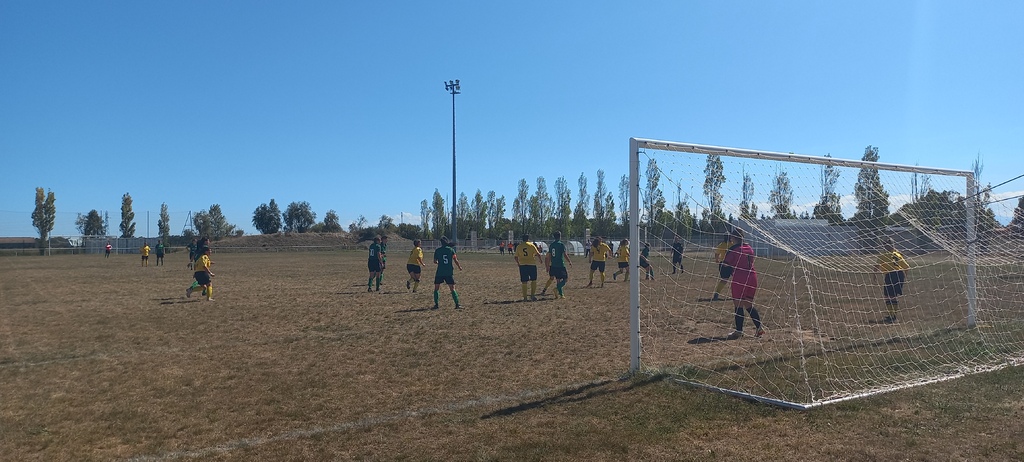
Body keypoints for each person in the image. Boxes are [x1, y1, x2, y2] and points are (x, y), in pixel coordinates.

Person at [724, 228, 763, 339]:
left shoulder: (733, 249)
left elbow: (725, 264)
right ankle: (759, 328)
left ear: (733, 237)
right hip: (752, 277)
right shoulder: (749, 248)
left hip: (740, 278)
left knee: (738, 305)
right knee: (749, 305)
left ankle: (739, 331)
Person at [876, 239, 910, 324]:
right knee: (893, 295)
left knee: (888, 295)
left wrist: (874, 275)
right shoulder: (898, 254)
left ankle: (892, 316)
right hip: (900, 275)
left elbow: (876, 266)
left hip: (891, 275)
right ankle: (892, 315)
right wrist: (904, 277)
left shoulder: (883, 255)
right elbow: (907, 267)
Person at [432, 236, 463, 309]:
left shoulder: (438, 250)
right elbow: (455, 260)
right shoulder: (451, 250)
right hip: (448, 272)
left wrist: (439, 263)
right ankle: (457, 304)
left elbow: (435, 261)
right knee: (452, 288)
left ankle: (436, 305)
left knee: (436, 288)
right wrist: (459, 267)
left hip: (440, 272)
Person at [541, 231, 573, 298]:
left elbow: (549, 256)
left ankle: (561, 294)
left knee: (558, 279)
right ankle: (556, 289)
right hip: (560, 265)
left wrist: (547, 265)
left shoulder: (552, 245)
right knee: (565, 279)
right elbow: (564, 254)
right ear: (560, 236)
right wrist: (569, 261)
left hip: (553, 265)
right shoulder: (561, 245)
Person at [515, 234, 542, 301]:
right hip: (531, 264)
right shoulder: (531, 245)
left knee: (524, 281)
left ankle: (525, 298)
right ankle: (532, 296)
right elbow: (538, 254)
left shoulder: (519, 246)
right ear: (528, 239)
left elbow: (516, 257)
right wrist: (540, 260)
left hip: (523, 265)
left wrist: (518, 263)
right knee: (533, 280)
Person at [710, 233, 732, 301]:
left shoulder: (721, 245)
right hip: (732, 264)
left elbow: (717, 253)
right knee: (737, 279)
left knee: (724, 280)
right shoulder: (733, 245)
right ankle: (739, 294)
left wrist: (717, 260)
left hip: (723, 263)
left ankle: (716, 293)